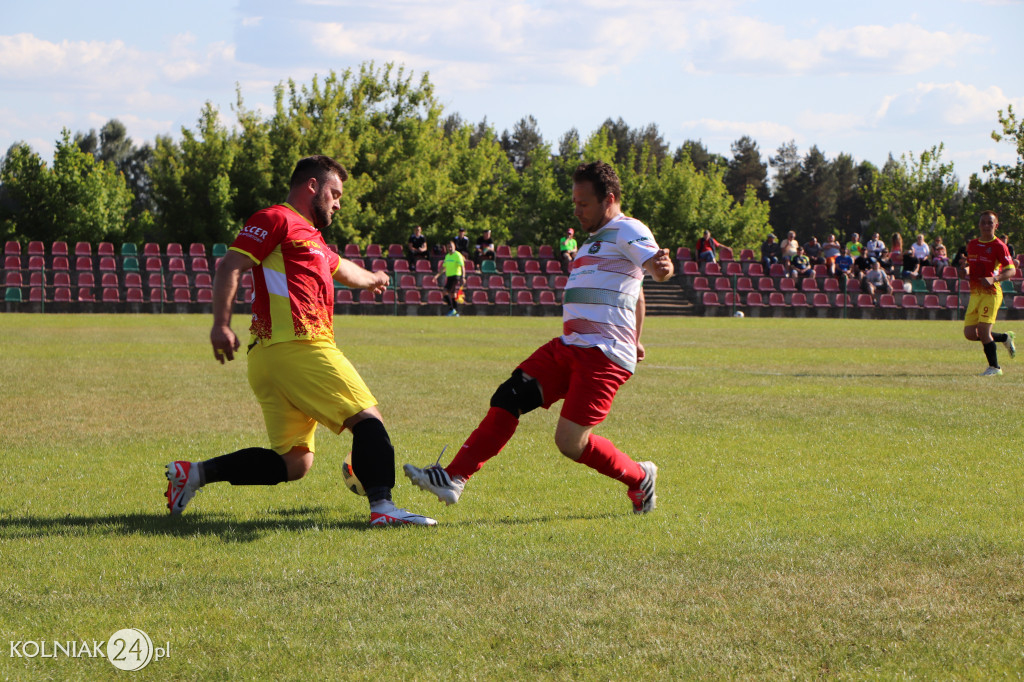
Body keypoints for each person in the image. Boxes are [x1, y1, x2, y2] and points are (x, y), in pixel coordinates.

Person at [164, 155, 436, 527]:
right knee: (368, 419)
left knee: (295, 462)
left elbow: (343, 269)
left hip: (272, 359)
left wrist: (374, 278)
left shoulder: (313, 239)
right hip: (299, 345)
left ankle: (192, 475)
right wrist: (220, 324)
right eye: (335, 193)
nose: (338, 203)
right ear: (312, 186)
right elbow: (230, 265)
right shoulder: (275, 218)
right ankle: (384, 508)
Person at [403, 161, 673, 514]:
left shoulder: (627, 229)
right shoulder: (593, 241)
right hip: (570, 346)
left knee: (570, 443)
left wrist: (661, 268)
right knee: (509, 395)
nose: (576, 211)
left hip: (602, 354)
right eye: (574, 203)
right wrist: (637, 336)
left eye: (583, 204)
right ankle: (453, 477)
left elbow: (654, 266)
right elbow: (636, 292)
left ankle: (640, 478)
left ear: (609, 199)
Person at [963, 211, 1017, 376]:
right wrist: (964, 270)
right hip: (976, 293)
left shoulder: (999, 246)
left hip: (991, 293)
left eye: (990, 223)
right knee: (970, 334)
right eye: (983, 223)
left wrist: (995, 278)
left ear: (996, 225)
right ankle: (1004, 338)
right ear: (979, 225)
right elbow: (969, 265)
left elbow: (1011, 270)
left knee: (984, 331)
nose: (986, 226)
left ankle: (995, 368)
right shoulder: (972, 244)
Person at [437, 239, 465, 317]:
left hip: (455, 276)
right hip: (449, 277)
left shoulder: (457, 255)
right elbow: (443, 267)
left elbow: (462, 267)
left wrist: (463, 277)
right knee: (452, 294)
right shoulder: (447, 256)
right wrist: (437, 276)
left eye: (451, 247)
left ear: (454, 247)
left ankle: (452, 309)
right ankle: (456, 312)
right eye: (448, 247)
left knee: (445, 292)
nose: (450, 248)